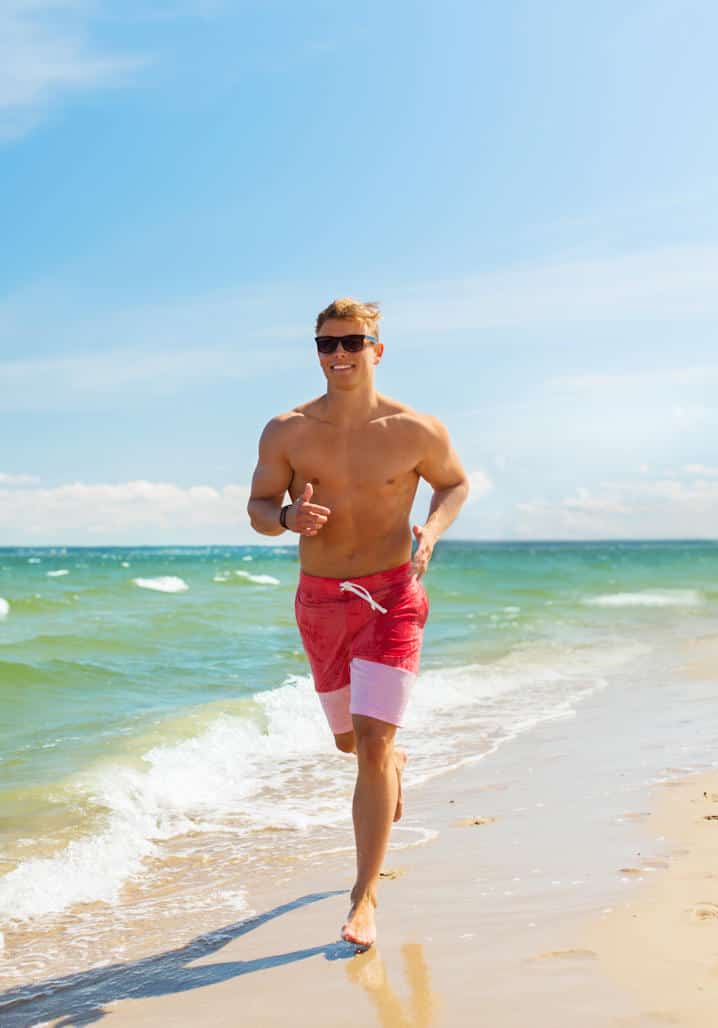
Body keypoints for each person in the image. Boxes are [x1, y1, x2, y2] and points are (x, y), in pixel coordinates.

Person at [246, 297, 469, 950]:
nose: (338, 354)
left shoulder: (414, 429)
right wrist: (285, 520)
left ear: (377, 348)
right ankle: (392, 760)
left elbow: (453, 485)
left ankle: (363, 896)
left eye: (352, 341)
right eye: (326, 344)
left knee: (369, 745)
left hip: (394, 596)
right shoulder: (286, 431)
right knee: (352, 745)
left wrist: (431, 530)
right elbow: (259, 505)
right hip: (321, 600)